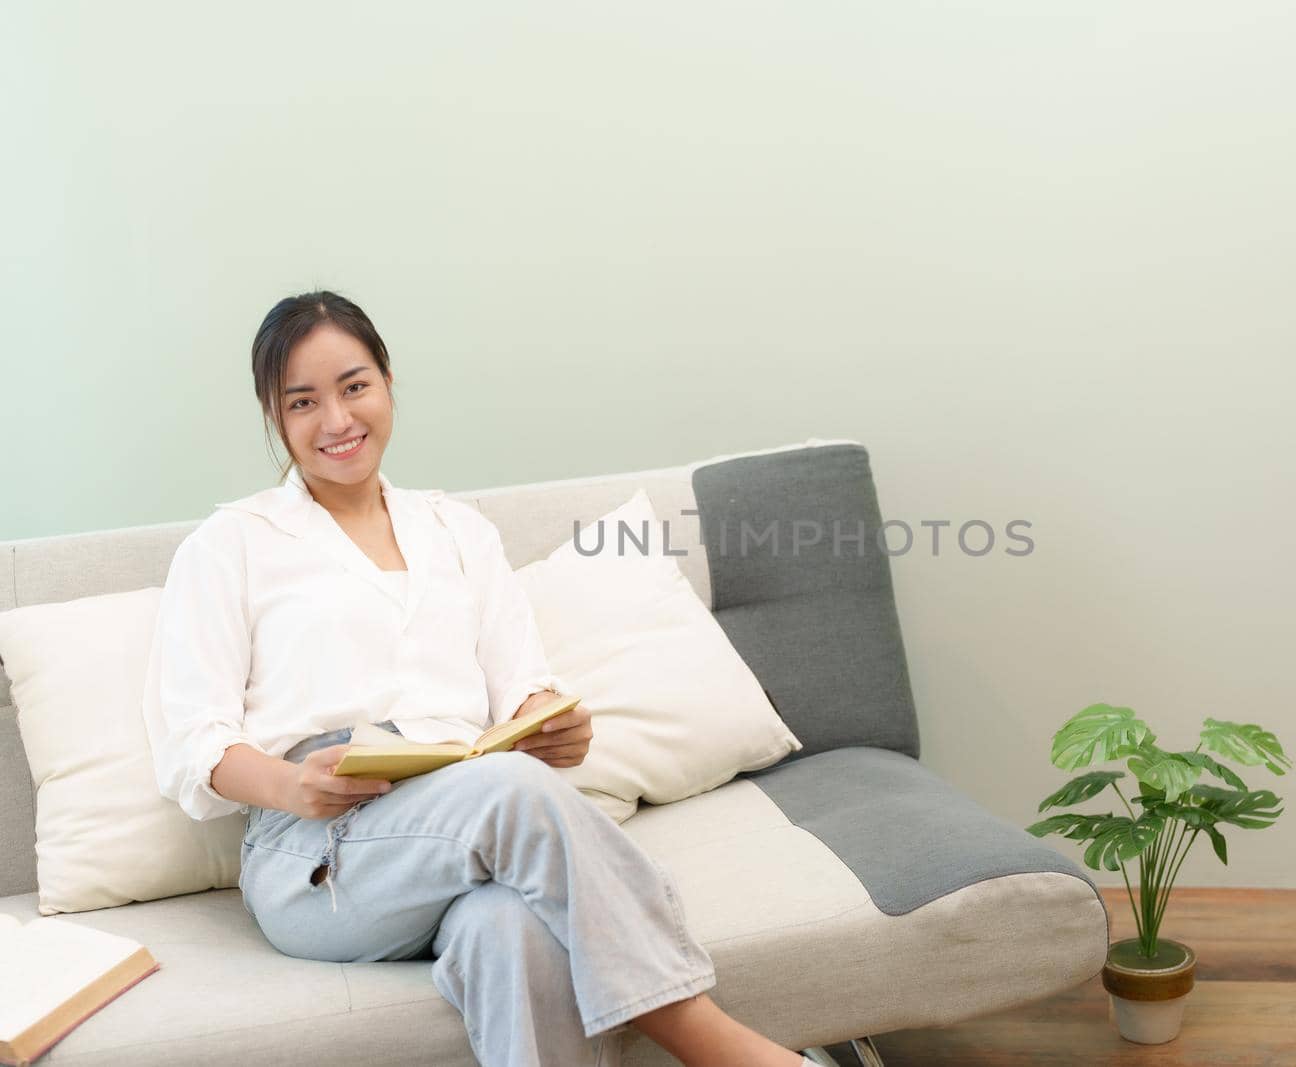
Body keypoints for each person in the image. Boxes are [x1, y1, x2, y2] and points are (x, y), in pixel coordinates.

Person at [141, 290, 810, 1067]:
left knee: (512, 928)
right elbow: (194, 741)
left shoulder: (458, 530)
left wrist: (554, 724)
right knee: (511, 792)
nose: (336, 420)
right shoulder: (232, 543)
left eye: (354, 386)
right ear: (274, 417)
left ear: (388, 381)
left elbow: (523, 685)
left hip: (464, 814)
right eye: (302, 402)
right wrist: (293, 787)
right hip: (315, 852)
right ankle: (720, 1046)